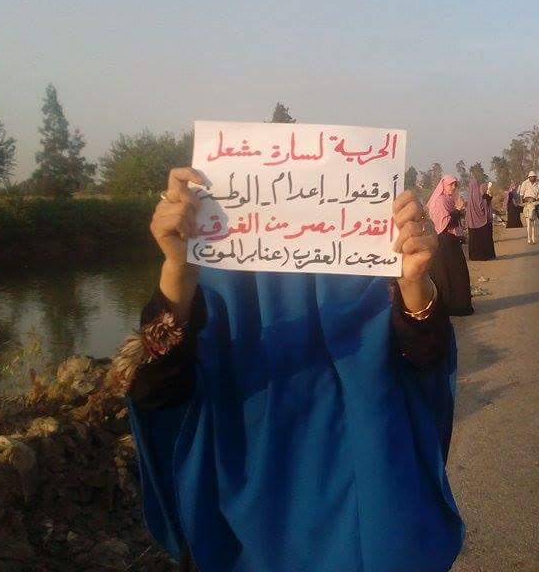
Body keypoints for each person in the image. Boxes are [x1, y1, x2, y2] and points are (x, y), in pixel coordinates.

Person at [113, 167, 465, 572]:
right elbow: (159, 391)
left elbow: (423, 359)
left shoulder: (370, 249)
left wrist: (415, 281)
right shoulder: (211, 271)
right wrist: (177, 270)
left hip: (371, 508)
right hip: (242, 530)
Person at [427, 175, 475, 316]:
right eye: (450, 185)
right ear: (443, 185)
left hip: (451, 241)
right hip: (444, 242)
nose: (453, 187)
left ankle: (458, 304)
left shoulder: (449, 199)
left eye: (455, 185)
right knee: (448, 274)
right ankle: (451, 306)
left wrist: (459, 211)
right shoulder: (440, 201)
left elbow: (454, 220)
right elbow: (445, 224)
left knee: (456, 273)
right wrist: (458, 210)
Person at [465, 178, 496, 261]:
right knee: (483, 239)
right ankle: (484, 255)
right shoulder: (477, 195)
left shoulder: (469, 198)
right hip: (481, 222)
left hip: (472, 223)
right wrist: (487, 200)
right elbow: (481, 206)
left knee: (474, 239)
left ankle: (474, 256)